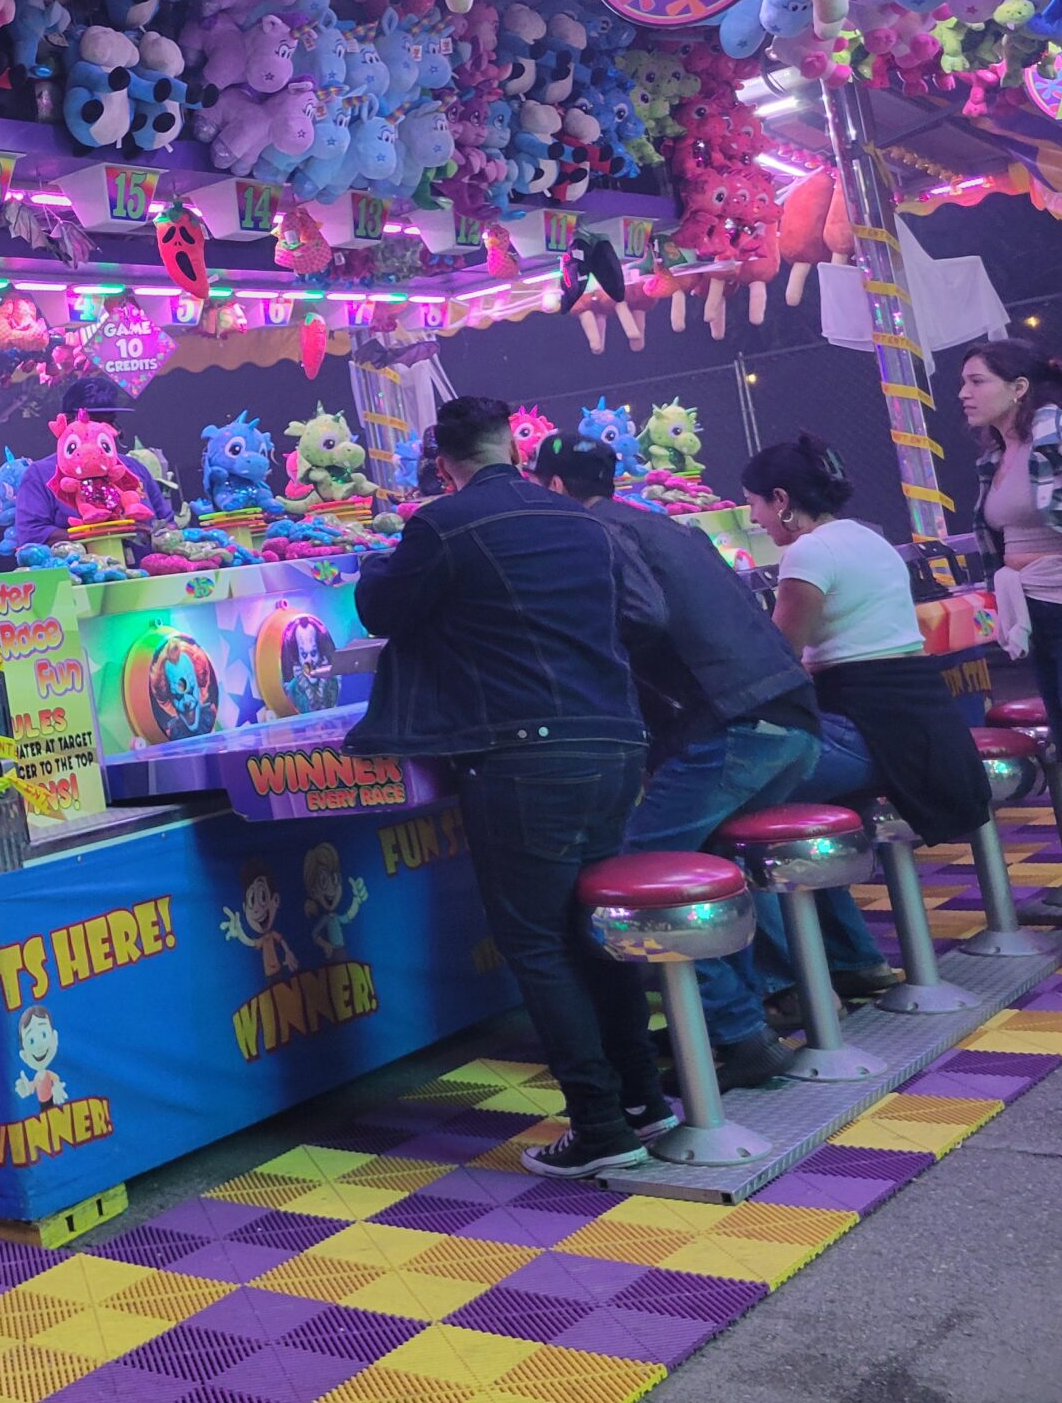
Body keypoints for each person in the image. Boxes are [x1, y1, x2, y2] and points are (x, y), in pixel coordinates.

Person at [354, 396, 671, 1177]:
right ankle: (642, 1100)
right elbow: (641, 618)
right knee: (592, 933)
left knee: (538, 943)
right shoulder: (583, 521)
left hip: (527, 755)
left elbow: (382, 607)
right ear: (511, 449)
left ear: (442, 461)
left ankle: (600, 1128)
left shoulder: (444, 524)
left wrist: (373, 561)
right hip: (618, 742)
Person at [533, 434, 830, 1089]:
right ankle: (750, 1015)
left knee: (642, 877)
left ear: (552, 487)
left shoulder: (594, 532)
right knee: (713, 869)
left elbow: (640, 614)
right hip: (785, 717)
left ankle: (738, 1033)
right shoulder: (657, 524)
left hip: (734, 725)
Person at [741, 433, 989, 992]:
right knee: (792, 815)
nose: (754, 517)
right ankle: (854, 960)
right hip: (912, 728)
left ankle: (783, 986)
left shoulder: (807, 552)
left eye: (754, 502)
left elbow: (780, 660)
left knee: (739, 804)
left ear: (780, 498)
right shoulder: (867, 538)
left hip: (865, 731)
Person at [958, 340, 1062, 732]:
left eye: (977, 381)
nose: (964, 393)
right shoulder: (997, 456)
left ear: (1018, 388)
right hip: (1035, 608)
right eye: (963, 382)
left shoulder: (1055, 437)